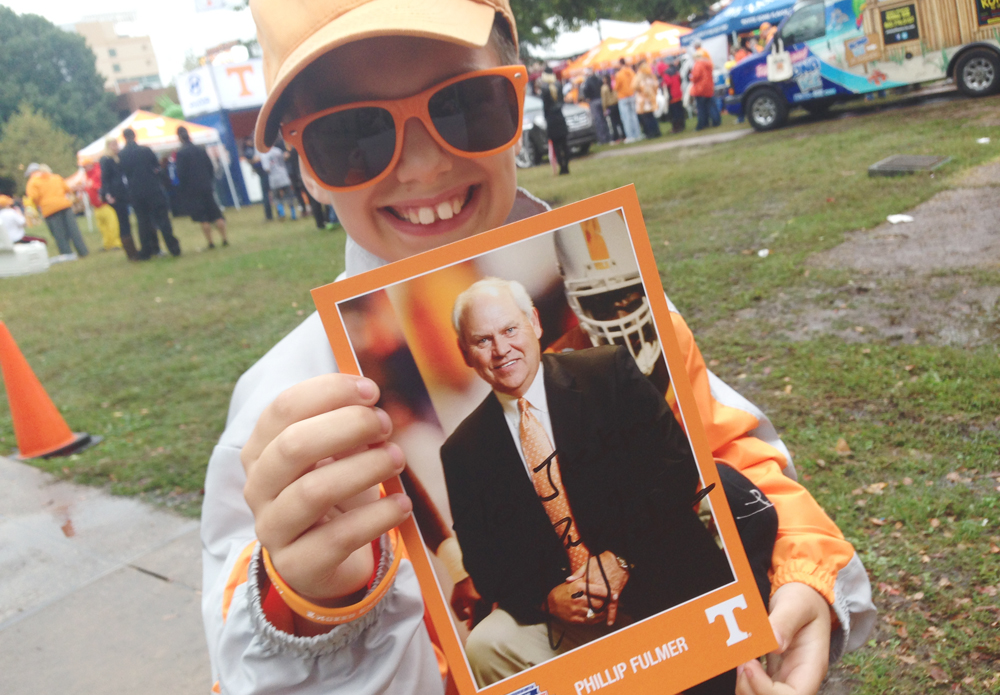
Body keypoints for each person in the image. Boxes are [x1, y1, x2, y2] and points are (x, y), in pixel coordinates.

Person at [202, 3, 875, 695]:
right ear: (304, 165)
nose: (424, 165)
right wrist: (308, 609)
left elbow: (723, 454)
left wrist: (804, 577)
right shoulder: (277, 424)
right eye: (352, 134)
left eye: (466, 105)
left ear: (518, 98)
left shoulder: (618, 315)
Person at [442, 278, 736, 690]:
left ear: (534, 323)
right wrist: (547, 598)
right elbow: (486, 566)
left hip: (655, 576)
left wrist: (621, 559)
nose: (501, 349)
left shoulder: (608, 372)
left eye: (510, 330)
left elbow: (676, 470)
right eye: (482, 340)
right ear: (465, 353)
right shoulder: (462, 451)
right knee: (487, 643)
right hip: (565, 619)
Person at [118, 128, 181, 258]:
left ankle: (147, 250)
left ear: (124, 138)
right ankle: (173, 247)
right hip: (153, 189)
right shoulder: (145, 150)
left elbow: (124, 173)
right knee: (162, 219)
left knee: (143, 222)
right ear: (134, 136)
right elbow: (156, 167)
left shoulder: (122, 155)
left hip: (135, 192)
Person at [175, 126, 229, 250]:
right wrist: (209, 180)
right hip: (206, 185)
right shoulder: (200, 149)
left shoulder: (181, 153)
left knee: (203, 217)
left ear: (179, 138)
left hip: (193, 189)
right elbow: (210, 166)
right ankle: (225, 238)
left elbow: (181, 174)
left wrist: (184, 188)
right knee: (216, 213)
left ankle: (210, 242)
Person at [24, 163, 89, 259]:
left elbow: (33, 197)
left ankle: (67, 254)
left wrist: (32, 208)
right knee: (74, 230)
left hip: (50, 210)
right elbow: (67, 189)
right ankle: (83, 251)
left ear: (31, 173)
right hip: (64, 206)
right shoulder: (55, 177)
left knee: (59, 234)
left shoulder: (32, 182)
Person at [99, 138, 139, 260]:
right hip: (116, 193)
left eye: (116, 144)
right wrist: (108, 194)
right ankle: (130, 251)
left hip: (126, 191)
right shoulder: (106, 159)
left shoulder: (120, 157)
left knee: (130, 220)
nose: (115, 147)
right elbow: (105, 179)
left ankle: (134, 249)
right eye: (113, 145)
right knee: (123, 222)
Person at [538, 68, 570, 175]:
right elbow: (562, 101)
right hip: (560, 117)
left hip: (551, 119)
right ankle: (567, 165)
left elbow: (545, 107)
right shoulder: (558, 85)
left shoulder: (544, 88)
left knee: (556, 145)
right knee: (564, 144)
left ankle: (561, 166)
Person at [83, 164, 122, 251]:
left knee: (112, 225)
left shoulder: (98, 173)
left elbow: (103, 186)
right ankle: (107, 244)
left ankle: (116, 243)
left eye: (86, 166)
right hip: (96, 207)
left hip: (104, 205)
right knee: (102, 227)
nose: (85, 168)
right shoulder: (87, 176)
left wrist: (93, 185)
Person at [258, 144, 297, 220]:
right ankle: (293, 214)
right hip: (283, 175)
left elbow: (267, 168)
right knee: (289, 196)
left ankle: (282, 213)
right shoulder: (278, 151)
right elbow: (284, 159)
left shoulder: (264, 154)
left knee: (277, 197)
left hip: (274, 178)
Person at [243, 138, 273, 221]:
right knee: (271, 193)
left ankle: (269, 215)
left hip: (264, 172)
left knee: (266, 194)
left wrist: (252, 162)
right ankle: (278, 213)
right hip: (266, 172)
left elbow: (255, 159)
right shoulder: (257, 148)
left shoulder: (255, 149)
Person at [692, 49, 721, 130]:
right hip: (709, 87)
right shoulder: (708, 64)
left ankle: (702, 124)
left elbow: (695, 76)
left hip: (700, 88)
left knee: (701, 108)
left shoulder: (698, 64)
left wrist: (691, 77)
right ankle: (716, 121)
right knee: (711, 106)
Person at [614, 58, 642, 142]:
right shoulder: (631, 72)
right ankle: (637, 134)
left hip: (623, 97)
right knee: (634, 116)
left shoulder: (619, 74)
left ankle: (630, 136)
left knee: (626, 118)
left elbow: (616, 87)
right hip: (632, 95)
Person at [580, 69, 610, 145]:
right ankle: (608, 137)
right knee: (603, 119)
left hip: (593, 101)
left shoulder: (587, 81)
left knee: (598, 120)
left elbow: (585, 90)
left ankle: (602, 139)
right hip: (601, 99)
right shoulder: (598, 79)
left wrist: (587, 97)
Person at [632, 60, 661, 139]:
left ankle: (650, 133)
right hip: (651, 97)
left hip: (642, 99)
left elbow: (634, 86)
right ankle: (657, 132)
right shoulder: (651, 74)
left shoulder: (639, 75)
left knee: (646, 117)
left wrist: (640, 91)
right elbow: (656, 85)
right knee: (651, 116)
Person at [663, 62, 687, 133]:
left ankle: (676, 128)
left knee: (674, 113)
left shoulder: (666, 73)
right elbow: (681, 80)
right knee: (680, 111)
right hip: (679, 94)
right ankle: (682, 125)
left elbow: (668, 83)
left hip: (672, 95)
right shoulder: (676, 71)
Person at [601, 74, 624, 142]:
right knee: (619, 121)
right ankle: (623, 135)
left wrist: (604, 108)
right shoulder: (613, 84)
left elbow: (604, 99)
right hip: (616, 104)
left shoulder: (604, 87)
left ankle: (616, 137)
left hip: (610, 106)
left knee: (613, 123)